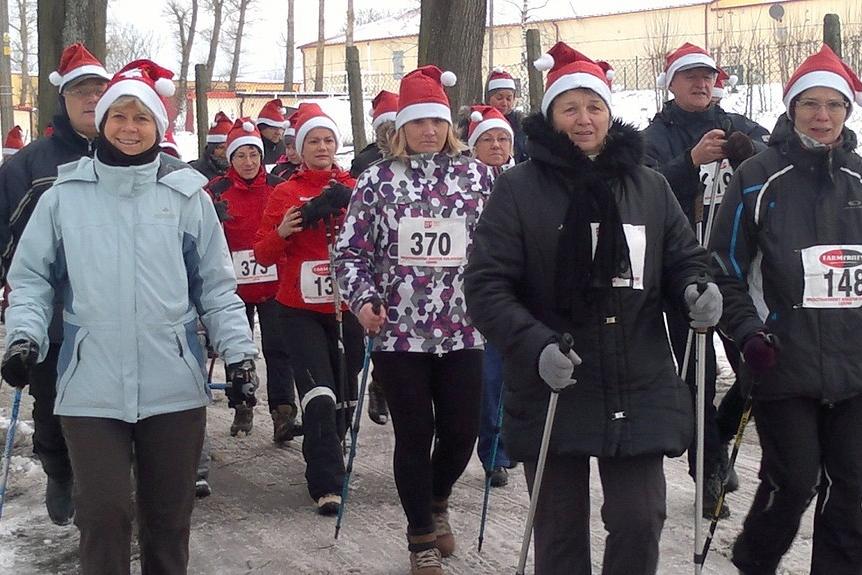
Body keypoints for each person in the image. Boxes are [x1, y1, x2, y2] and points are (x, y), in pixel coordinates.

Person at [465, 43, 721, 575]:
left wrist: (697, 288)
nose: (584, 120)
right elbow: (487, 287)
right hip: (553, 380)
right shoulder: (518, 189)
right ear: (551, 117)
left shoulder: (647, 186)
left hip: (637, 376)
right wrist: (534, 346)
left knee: (640, 517)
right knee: (558, 531)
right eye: (570, 108)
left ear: (610, 113)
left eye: (594, 107)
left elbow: (682, 260)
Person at [0, 59, 258, 575]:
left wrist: (240, 353)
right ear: (103, 122)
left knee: (168, 519)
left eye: (141, 118)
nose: (129, 127)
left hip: (173, 385)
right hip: (90, 385)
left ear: (159, 125)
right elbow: (30, 279)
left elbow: (215, 286)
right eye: (119, 116)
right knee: (104, 514)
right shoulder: (64, 197)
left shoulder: (187, 197)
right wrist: (24, 338)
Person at [709, 44, 862, 575]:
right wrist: (748, 333)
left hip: (854, 363)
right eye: (811, 104)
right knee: (794, 481)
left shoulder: (860, 177)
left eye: (834, 105)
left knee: (854, 486)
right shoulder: (758, 174)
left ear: (848, 111)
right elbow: (723, 268)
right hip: (782, 358)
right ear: (792, 107)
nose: (823, 117)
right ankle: (755, 560)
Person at [336, 65, 492, 575]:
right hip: (398, 331)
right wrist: (362, 302)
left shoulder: (478, 176)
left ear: (450, 126)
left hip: (464, 326)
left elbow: (500, 246)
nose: (429, 131)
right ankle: (420, 533)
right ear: (400, 128)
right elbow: (350, 253)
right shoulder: (378, 180)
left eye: (437, 122)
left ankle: (438, 495)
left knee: (462, 431)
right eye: (419, 122)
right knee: (414, 431)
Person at [642, 42, 770, 516]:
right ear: (671, 83)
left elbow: (776, 155)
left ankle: (722, 422)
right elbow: (642, 185)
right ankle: (708, 472)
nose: (702, 84)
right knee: (696, 376)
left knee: (758, 364)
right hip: (682, 273)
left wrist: (746, 151)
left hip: (735, 270)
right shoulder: (656, 134)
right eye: (691, 76)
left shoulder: (737, 123)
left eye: (708, 76)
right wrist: (690, 161)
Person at [0, 43, 110, 526]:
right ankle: (58, 470)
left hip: (115, 309)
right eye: (80, 91)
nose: (91, 99)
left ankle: (107, 483)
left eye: (99, 91)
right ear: (62, 100)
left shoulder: (128, 153)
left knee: (112, 404)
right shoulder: (27, 165)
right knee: (52, 405)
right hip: (52, 313)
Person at [254, 103, 361, 516]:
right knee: (318, 394)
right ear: (300, 147)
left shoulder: (356, 186)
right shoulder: (284, 192)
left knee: (345, 393)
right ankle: (326, 483)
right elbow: (263, 254)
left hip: (347, 304)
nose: (322, 146)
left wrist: (351, 203)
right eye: (313, 140)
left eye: (328, 140)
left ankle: (331, 444)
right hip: (298, 308)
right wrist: (284, 231)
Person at [206, 118, 298, 441]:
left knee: (279, 347)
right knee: (238, 347)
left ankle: (283, 413)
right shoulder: (216, 190)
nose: (248, 162)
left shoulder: (277, 186)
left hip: (274, 282)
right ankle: (242, 403)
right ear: (230, 159)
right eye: (241, 155)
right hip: (233, 285)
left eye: (254, 155)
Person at [465, 104, 516, 488]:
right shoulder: (464, 184)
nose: (496, 145)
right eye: (488, 139)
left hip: (521, 289)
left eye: (502, 138)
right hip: (480, 290)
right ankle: (493, 452)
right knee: (490, 376)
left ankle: (516, 440)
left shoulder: (527, 179)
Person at [348, 89, 399, 426]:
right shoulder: (366, 163)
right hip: (377, 258)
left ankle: (382, 382)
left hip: (408, 266)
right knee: (381, 327)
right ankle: (379, 385)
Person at [485, 68, 528, 163]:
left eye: (509, 99)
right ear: (488, 98)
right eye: (499, 98)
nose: (504, 103)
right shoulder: (476, 121)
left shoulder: (521, 125)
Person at [189, 111, 232, 180]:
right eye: (221, 147)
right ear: (211, 149)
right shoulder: (195, 171)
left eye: (229, 147)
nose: (225, 152)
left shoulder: (241, 170)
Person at [256, 98, 288, 166]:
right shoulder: (254, 149)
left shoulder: (284, 148)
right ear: (261, 128)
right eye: (273, 128)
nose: (278, 132)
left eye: (281, 128)